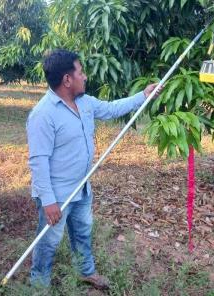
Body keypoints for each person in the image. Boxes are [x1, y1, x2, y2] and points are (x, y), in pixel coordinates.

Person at [26, 49, 162, 289]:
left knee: (83, 232)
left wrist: (143, 95)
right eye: (81, 72)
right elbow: (38, 162)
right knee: (49, 242)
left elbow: (111, 109)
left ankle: (85, 271)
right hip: (57, 193)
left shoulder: (85, 102)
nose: (85, 76)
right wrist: (48, 201)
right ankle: (39, 285)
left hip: (82, 186)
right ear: (67, 80)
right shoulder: (43, 115)